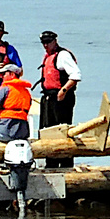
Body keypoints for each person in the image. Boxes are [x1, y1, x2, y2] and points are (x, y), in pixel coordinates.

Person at [35, 29, 82, 165]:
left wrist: (64, 90)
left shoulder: (63, 55)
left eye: (48, 42)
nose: (45, 45)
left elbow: (76, 75)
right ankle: (51, 163)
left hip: (61, 98)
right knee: (47, 131)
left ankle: (66, 163)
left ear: (55, 41)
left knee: (61, 131)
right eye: (43, 43)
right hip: (48, 98)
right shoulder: (48, 56)